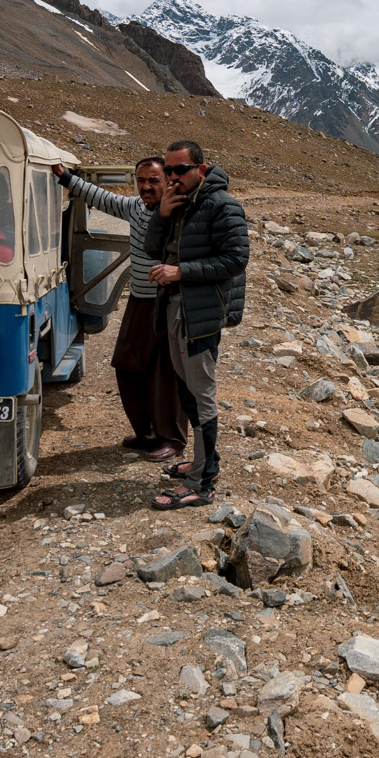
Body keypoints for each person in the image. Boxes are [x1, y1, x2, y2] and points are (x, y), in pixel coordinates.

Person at [52, 157, 186, 464]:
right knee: (127, 365)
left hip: (169, 301)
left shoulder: (180, 211)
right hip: (140, 300)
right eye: (141, 180)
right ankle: (147, 433)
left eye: (153, 180)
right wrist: (66, 177)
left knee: (164, 374)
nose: (146, 186)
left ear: (167, 181)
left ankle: (173, 439)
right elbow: (101, 197)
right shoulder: (133, 207)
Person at [144, 138, 249, 509]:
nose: (173, 177)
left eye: (180, 170)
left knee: (201, 393)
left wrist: (180, 272)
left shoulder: (222, 206)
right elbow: (151, 250)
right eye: (168, 170)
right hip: (176, 308)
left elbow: (235, 260)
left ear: (201, 170)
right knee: (187, 389)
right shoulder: (177, 204)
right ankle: (208, 462)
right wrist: (162, 215)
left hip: (200, 314)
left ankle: (201, 484)